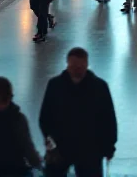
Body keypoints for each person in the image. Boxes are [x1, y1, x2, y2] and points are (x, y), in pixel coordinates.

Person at [39, 48, 117, 176]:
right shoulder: (98, 86)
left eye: (81, 65)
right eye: (75, 65)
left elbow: (108, 119)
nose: (78, 69)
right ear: (68, 64)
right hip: (67, 147)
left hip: (87, 149)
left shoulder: (99, 87)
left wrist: (109, 146)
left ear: (87, 64)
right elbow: (45, 116)